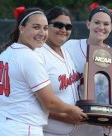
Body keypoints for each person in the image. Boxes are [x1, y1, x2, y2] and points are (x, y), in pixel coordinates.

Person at [0, 7, 87, 136]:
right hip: (24, 128)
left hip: (3, 125)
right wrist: (71, 110)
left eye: (45, 28)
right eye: (36, 27)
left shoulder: (6, 52)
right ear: (21, 28)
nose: (42, 33)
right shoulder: (29, 57)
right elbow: (49, 102)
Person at [62, 6, 112, 136]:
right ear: (88, 24)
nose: (101, 27)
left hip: (97, 122)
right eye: (96, 22)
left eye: (106, 24)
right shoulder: (70, 46)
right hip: (68, 119)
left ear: (111, 27)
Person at [35, 6, 82, 136]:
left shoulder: (66, 52)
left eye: (68, 27)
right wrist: (67, 116)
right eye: (58, 25)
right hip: (46, 132)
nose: (63, 30)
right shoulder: (39, 54)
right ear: (46, 26)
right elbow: (35, 102)